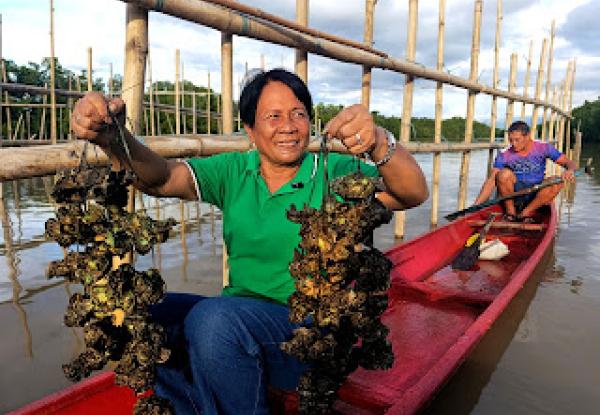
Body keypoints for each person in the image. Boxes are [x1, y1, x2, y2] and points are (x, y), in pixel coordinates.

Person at [70, 68, 428, 414]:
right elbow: (161, 179)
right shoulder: (235, 171)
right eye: (273, 116)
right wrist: (113, 138)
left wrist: (380, 141)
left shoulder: (331, 172)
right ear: (251, 131)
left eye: (298, 114)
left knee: (213, 322)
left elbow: (411, 192)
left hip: (310, 336)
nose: (287, 126)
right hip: (237, 320)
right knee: (118, 312)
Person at [473, 120, 576, 222]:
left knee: (557, 181)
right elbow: (491, 181)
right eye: (511, 140)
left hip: (536, 194)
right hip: (514, 196)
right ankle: (511, 213)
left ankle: (526, 213)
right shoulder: (505, 154)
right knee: (503, 175)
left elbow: (568, 162)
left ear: (527, 136)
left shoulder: (543, 147)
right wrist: (475, 206)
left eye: (517, 140)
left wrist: (570, 170)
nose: (513, 144)